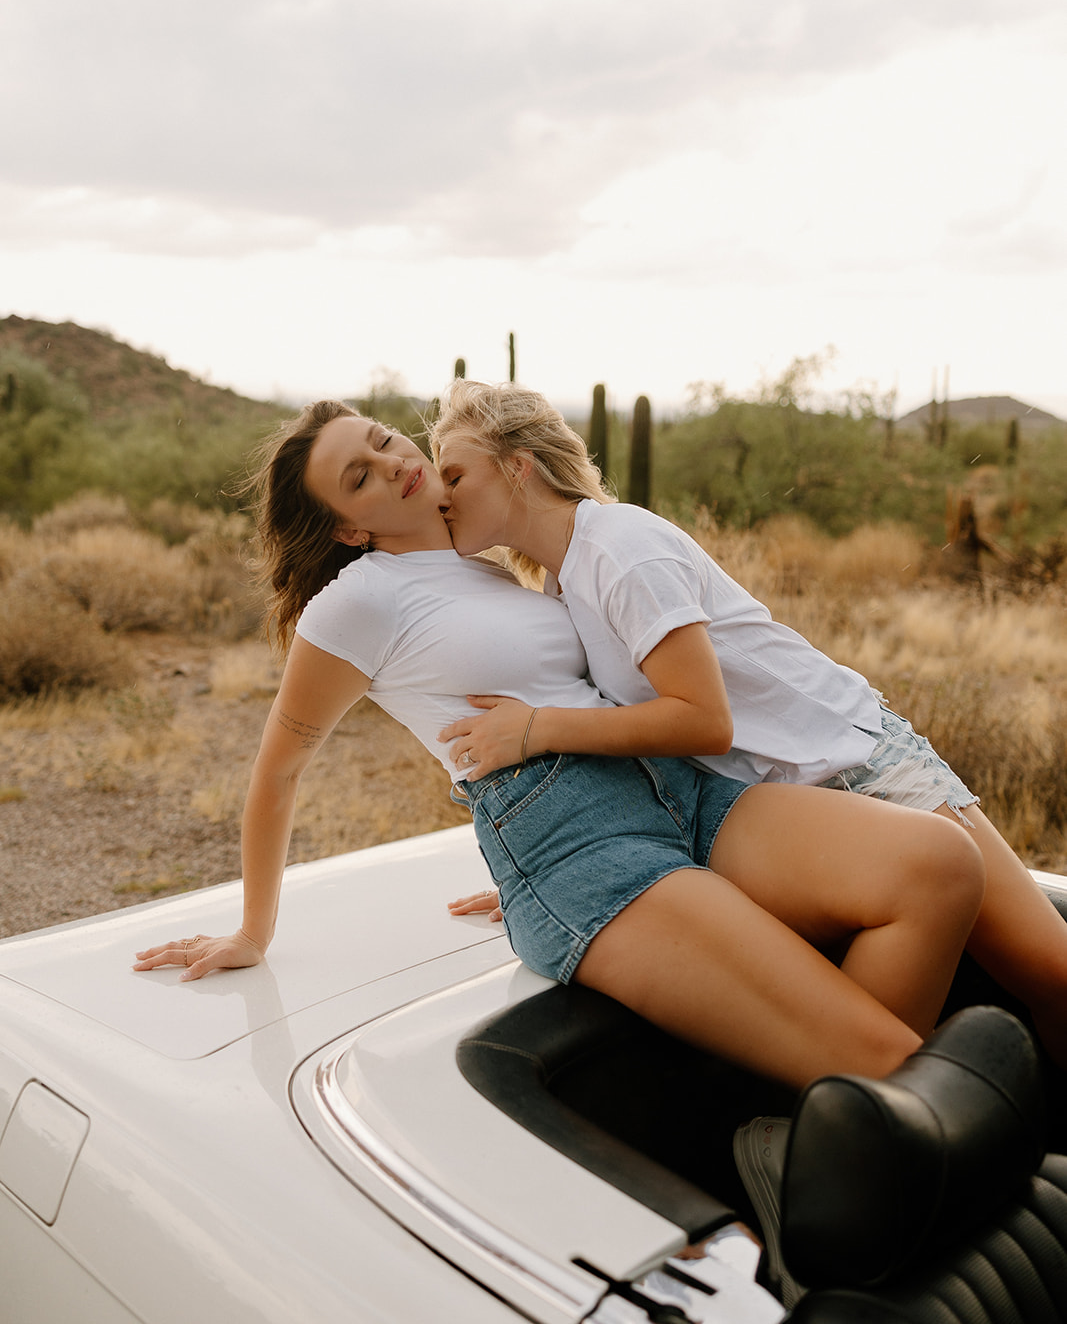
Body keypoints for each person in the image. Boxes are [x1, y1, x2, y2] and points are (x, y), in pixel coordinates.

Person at [134, 400, 987, 1095]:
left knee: (936, 867)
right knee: (887, 1059)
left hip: (675, 788)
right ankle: (849, 1120)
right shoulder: (356, 601)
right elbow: (279, 766)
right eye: (360, 475)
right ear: (350, 530)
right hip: (579, 840)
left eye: (383, 439)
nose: (395, 460)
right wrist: (254, 929)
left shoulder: (489, 563)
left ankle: (839, 1119)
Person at [431, 379, 1067, 1065]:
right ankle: (833, 1138)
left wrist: (535, 729)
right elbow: (624, 740)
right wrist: (544, 875)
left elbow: (702, 721)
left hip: (856, 763)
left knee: (1049, 974)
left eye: (454, 473)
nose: (440, 495)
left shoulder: (619, 547)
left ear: (517, 467)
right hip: (775, 803)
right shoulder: (561, 584)